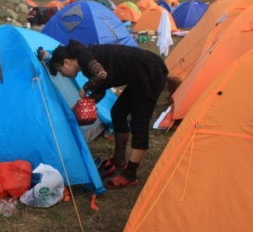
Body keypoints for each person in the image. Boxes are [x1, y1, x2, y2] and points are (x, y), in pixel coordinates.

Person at [46, 40, 168, 189]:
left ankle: (130, 174)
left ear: (67, 62)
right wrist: (86, 103)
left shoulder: (84, 57)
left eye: (60, 71)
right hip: (138, 75)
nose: (63, 76)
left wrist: (86, 87)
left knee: (139, 123)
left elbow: (101, 74)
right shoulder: (86, 66)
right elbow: (102, 89)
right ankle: (119, 160)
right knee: (118, 112)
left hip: (151, 70)